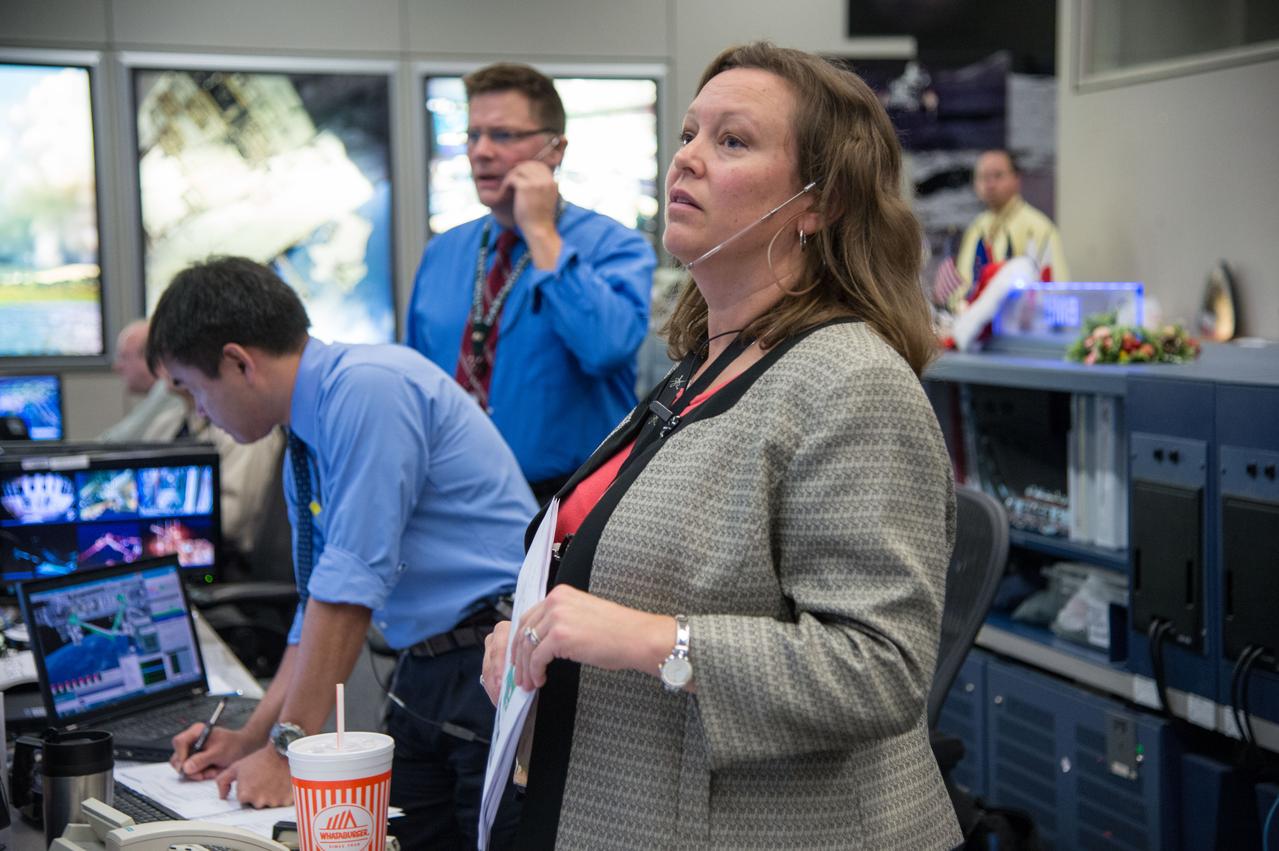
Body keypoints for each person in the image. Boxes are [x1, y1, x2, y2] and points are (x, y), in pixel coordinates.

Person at [481, 43, 962, 849]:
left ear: (820, 201)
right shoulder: (706, 363)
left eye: (731, 142)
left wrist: (650, 638)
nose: (687, 161)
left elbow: (881, 669)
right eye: (687, 134)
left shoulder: (850, 383)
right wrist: (528, 628)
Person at [149, 257, 536, 848]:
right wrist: (255, 737)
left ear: (237, 362)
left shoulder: (367, 388)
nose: (200, 412)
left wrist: (286, 755)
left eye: (196, 390)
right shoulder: (307, 433)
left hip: (488, 662)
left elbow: (351, 586)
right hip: (428, 669)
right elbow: (317, 606)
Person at [405, 62, 656, 503]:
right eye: (472, 135)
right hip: (451, 499)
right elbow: (416, 380)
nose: (480, 151)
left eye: (503, 135)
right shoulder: (444, 252)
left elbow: (606, 347)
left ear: (554, 149)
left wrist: (540, 232)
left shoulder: (615, 246)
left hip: (566, 503)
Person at [952, 148, 1070, 307]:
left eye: (998, 176)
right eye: (983, 177)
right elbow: (962, 285)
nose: (990, 184)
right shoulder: (976, 228)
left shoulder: (1039, 227)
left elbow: (1059, 289)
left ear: (1016, 179)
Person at [98, 318, 187, 442]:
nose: (117, 367)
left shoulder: (169, 388)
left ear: (151, 358)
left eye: (123, 356)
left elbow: (119, 441)